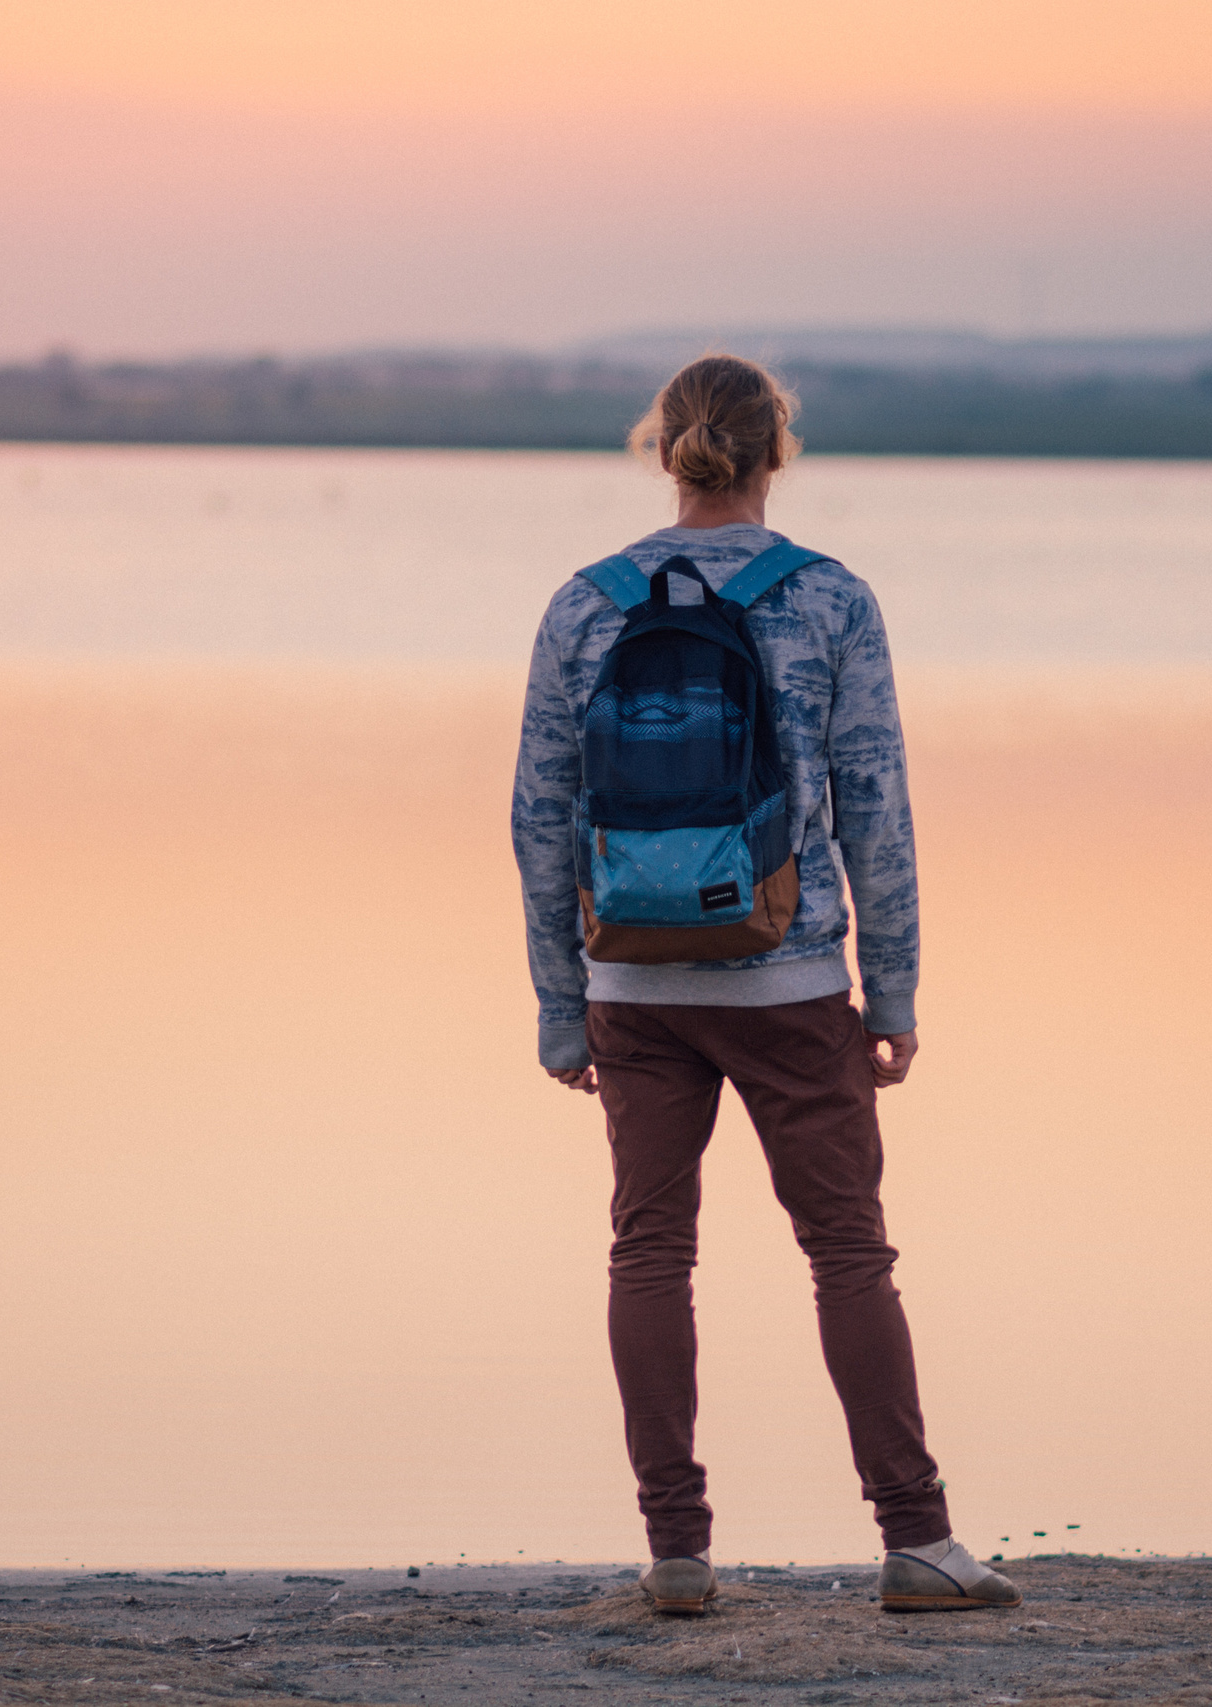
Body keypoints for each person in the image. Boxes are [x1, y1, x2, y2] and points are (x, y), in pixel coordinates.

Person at [509, 354, 1018, 1616]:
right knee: (847, 1252)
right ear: (775, 449)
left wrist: (560, 1001)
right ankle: (916, 1543)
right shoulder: (831, 600)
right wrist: (889, 996)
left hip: (631, 973)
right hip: (786, 980)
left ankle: (676, 1554)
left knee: (648, 1251)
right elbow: (875, 815)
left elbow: (538, 818)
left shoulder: (584, 603)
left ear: (662, 449)